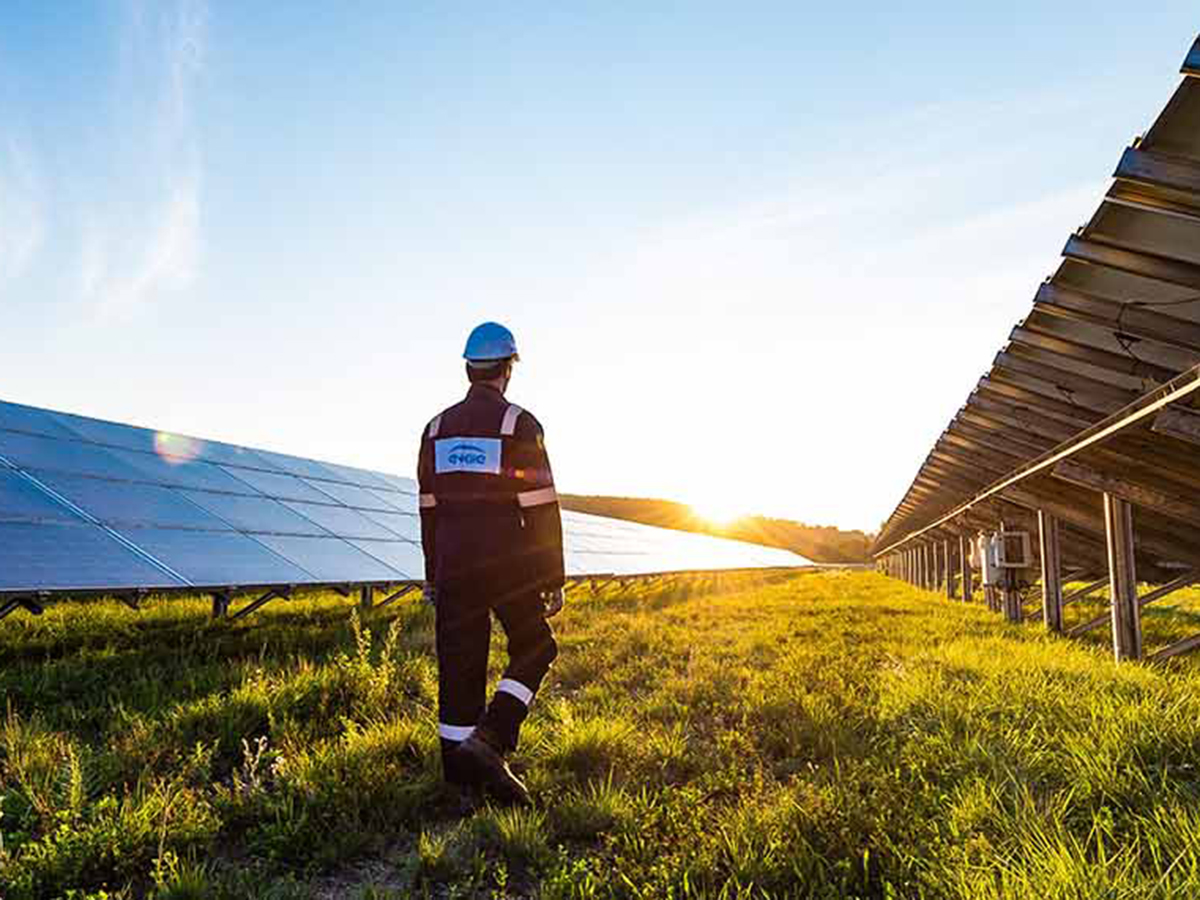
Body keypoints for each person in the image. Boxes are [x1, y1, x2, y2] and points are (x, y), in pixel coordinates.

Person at [417, 321, 565, 805]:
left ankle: (461, 782)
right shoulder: (519, 424)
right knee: (536, 646)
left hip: (454, 563)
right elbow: (541, 506)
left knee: (458, 668)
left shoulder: (435, 429)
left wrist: (433, 574)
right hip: (508, 565)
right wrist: (551, 577)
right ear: (508, 369)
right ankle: (491, 739)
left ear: (468, 368)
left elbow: (429, 511)